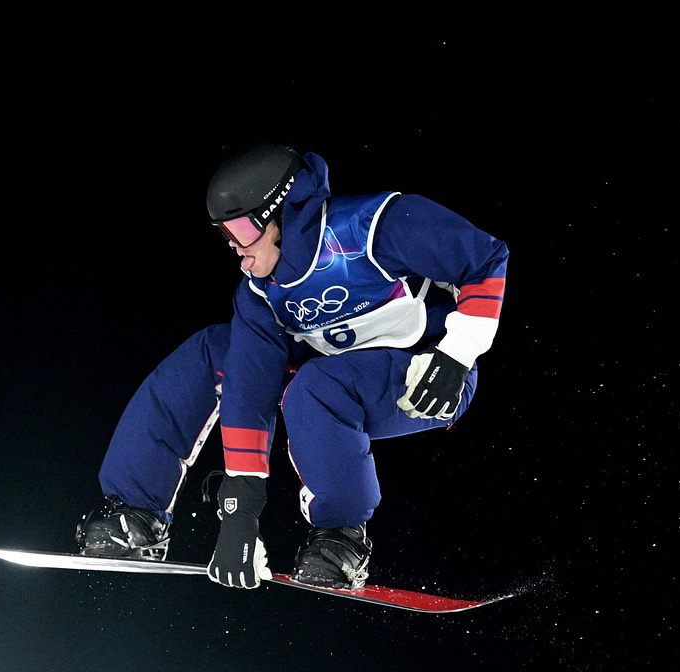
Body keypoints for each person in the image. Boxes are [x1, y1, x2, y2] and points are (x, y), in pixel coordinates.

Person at [74, 142, 508, 590]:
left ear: (284, 211)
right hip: (334, 367)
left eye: (242, 231)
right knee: (214, 350)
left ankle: (340, 538)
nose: (237, 250)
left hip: (423, 377)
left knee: (316, 386)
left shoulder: (375, 226)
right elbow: (248, 389)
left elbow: (485, 258)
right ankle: (135, 515)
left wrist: (459, 352)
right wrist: (240, 515)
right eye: (225, 235)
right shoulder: (260, 295)